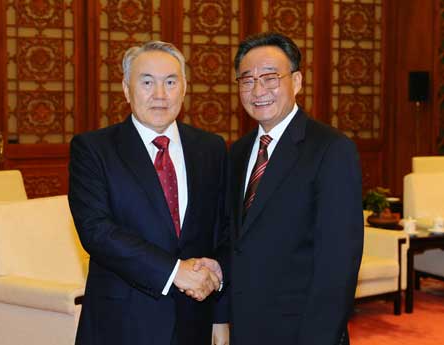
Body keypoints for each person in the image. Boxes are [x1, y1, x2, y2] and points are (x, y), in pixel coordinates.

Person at [68, 40, 229, 345]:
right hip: (121, 324)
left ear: (184, 88)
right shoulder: (94, 149)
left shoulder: (211, 148)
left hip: (193, 322)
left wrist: (220, 314)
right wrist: (173, 271)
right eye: (147, 82)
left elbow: (222, 232)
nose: (160, 94)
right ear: (127, 90)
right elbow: (97, 231)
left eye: (170, 82)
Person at [228, 32, 363, 345]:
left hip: (302, 331)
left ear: (297, 81)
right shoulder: (237, 152)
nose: (258, 90)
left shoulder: (330, 149)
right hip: (247, 327)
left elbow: (338, 261)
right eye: (247, 80)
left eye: (271, 77)